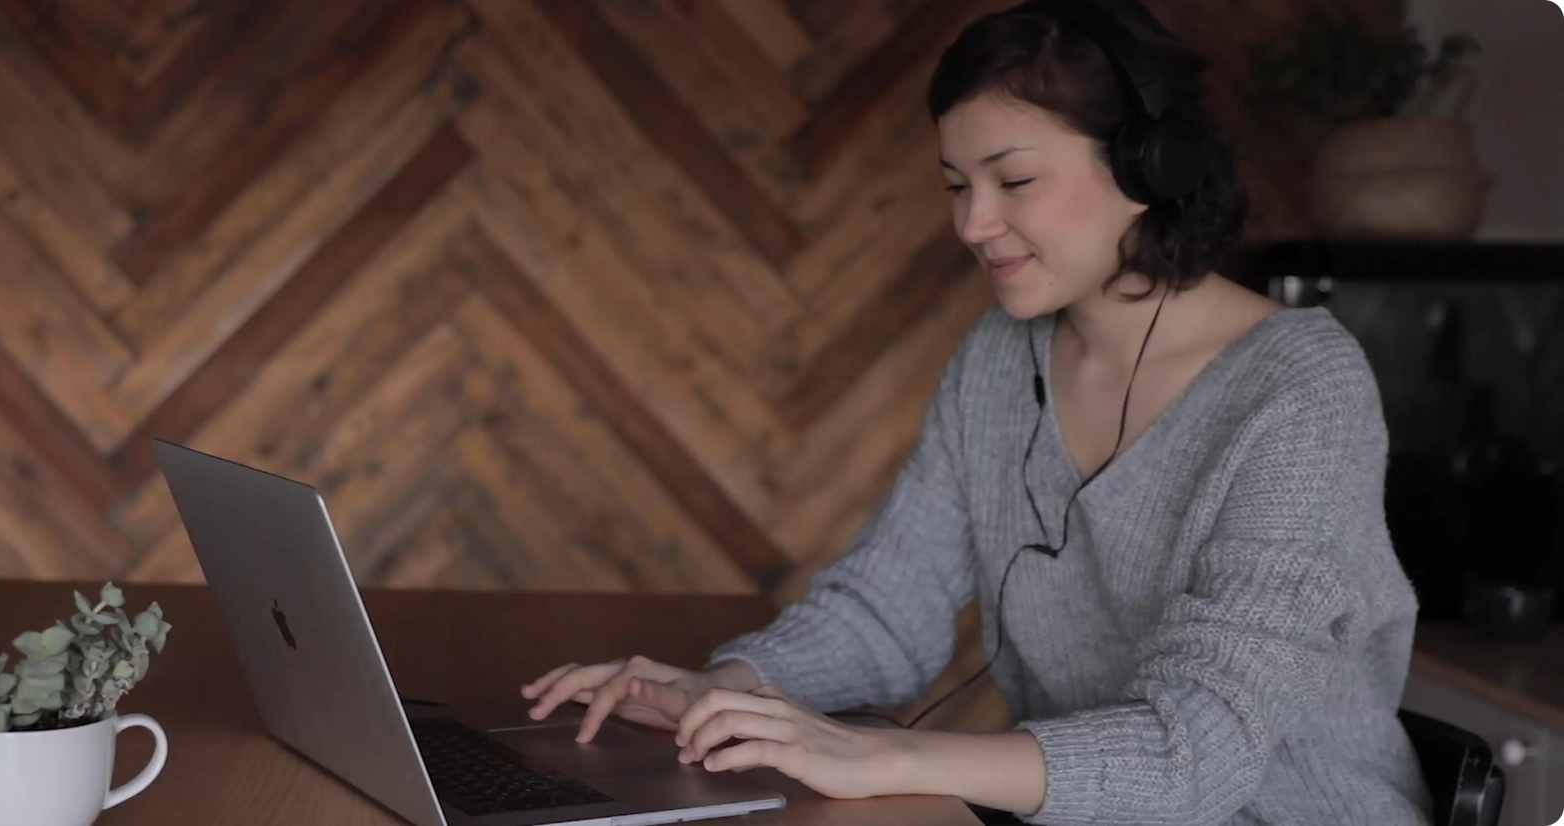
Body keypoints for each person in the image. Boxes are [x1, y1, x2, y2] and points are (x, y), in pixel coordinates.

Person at [517, 0, 1436, 823]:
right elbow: (888, 608)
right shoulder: (998, 360)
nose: (972, 224)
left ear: (1148, 167)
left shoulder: (1301, 390)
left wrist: (883, 755)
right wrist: (726, 688)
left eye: (1013, 181)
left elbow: (1195, 753)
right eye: (957, 185)